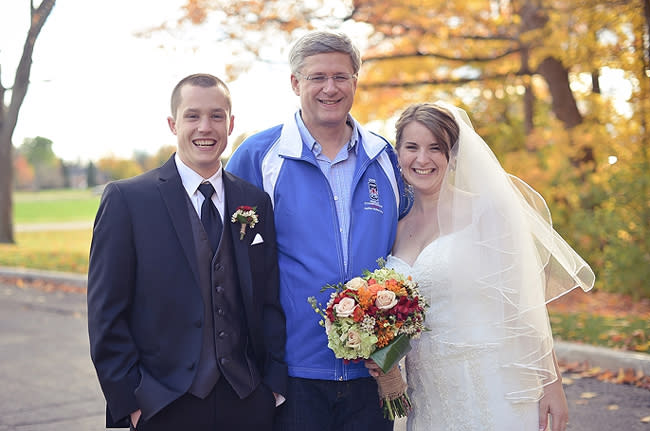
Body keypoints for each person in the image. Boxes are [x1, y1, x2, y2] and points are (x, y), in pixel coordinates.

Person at [226, 31, 410, 430]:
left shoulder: (385, 158)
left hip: (372, 372)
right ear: (296, 83)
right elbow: (227, 258)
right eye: (317, 77)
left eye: (341, 77)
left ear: (355, 82)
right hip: (291, 372)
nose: (331, 88)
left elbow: (413, 244)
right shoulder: (258, 156)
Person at [372, 102, 594, 431]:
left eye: (436, 148)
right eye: (412, 147)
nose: (422, 159)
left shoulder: (486, 213)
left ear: (454, 155)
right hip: (430, 391)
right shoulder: (395, 226)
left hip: (494, 381)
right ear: (398, 153)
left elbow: (524, 304)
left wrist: (551, 383)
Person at [87, 73, 287, 431]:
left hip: (246, 400)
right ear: (172, 123)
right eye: (193, 116)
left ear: (231, 123)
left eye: (216, 116)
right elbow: (106, 313)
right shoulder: (128, 200)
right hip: (163, 404)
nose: (205, 127)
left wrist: (271, 388)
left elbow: (269, 301)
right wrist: (132, 403)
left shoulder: (254, 201)